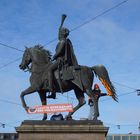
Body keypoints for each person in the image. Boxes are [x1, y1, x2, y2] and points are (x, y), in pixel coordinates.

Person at [47, 15, 78, 99]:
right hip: (62, 60)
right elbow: (59, 31)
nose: (58, 35)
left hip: (61, 61)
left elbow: (59, 52)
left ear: (62, 34)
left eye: (59, 33)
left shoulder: (62, 42)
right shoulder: (65, 41)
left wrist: (53, 57)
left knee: (49, 69)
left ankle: (52, 90)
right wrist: (60, 27)